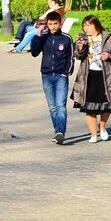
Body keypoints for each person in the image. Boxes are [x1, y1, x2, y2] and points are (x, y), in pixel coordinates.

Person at [72, 15, 111, 144]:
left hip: (105, 75)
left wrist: (110, 55)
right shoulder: (82, 38)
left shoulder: (108, 38)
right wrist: (80, 48)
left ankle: (102, 127)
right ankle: (93, 134)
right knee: (89, 107)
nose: (86, 28)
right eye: (84, 25)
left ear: (96, 25)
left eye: (89, 25)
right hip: (88, 76)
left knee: (107, 104)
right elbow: (77, 56)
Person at [29, 11, 74, 145]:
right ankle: (57, 130)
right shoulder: (44, 37)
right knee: (52, 106)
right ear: (47, 24)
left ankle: (60, 131)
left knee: (61, 104)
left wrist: (66, 72)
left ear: (60, 24)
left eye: (55, 24)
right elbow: (34, 53)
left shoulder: (66, 38)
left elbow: (70, 57)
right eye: (50, 24)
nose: (53, 27)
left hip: (61, 75)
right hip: (47, 74)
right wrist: (38, 36)